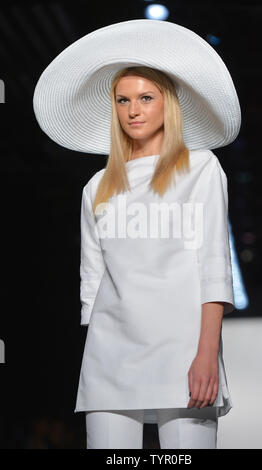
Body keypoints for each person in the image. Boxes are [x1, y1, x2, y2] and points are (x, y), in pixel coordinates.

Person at [32, 19, 241, 449]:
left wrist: (207, 355)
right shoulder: (97, 186)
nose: (133, 110)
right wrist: (96, 353)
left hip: (184, 351)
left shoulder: (199, 168)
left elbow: (214, 266)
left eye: (146, 97)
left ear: (169, 103)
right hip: (110, 358)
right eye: (123, 100)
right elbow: (92, 284)